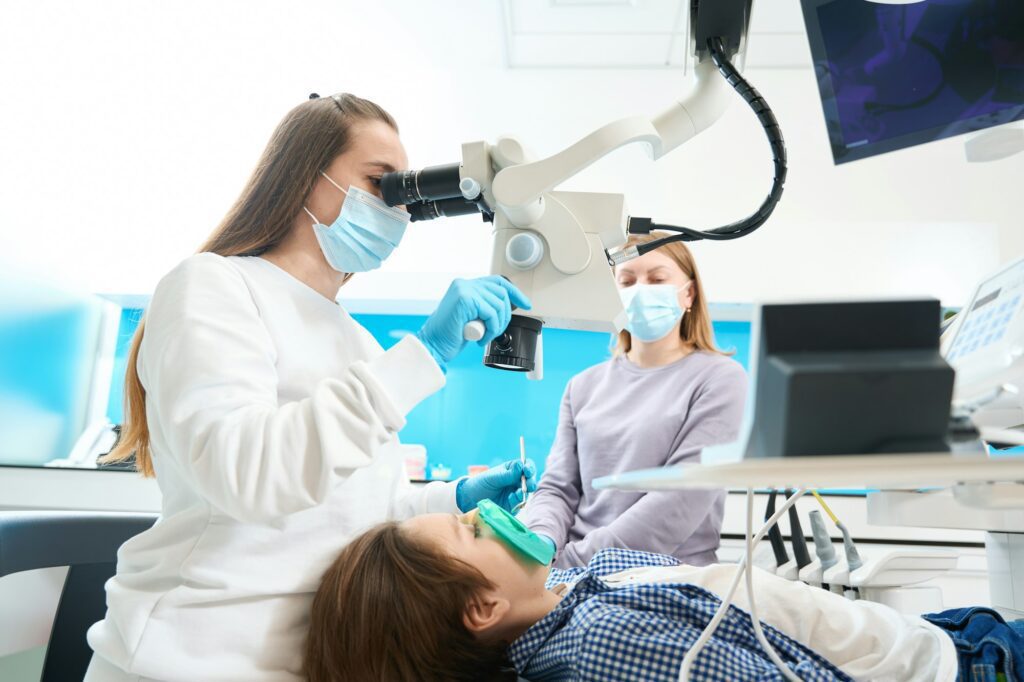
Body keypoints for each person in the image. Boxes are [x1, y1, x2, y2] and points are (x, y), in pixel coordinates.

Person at [83, 93, 538, 682]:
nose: (398, 212)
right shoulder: (213, 286)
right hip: (190, 654)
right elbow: (249, 476)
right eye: (382, 184)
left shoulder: (356, 340)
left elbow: (359, 512)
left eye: (404, 197)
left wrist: (451, 501)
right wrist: (424, 354)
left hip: (310, 659)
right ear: (305, 176)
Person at [305, 511, 1024, 682]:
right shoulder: (602, 647)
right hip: (954, 664)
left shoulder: (567, 594)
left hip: (916, 634)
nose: (495, 516)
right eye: (472, 528)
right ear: (482, 608)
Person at [518, 233, 747, 568]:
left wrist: (570, 563)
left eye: (657, 279)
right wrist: (537, 545)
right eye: (626, 281)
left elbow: (680, 501)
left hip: (665, 577)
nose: (640, 290)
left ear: (689, 294)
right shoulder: (582, 386)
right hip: (569, 572)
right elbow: (557, 490)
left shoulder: (720, 379)